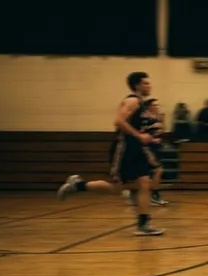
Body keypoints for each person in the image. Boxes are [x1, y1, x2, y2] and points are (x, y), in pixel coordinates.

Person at [56, 72, 164, 235]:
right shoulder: (132, 100)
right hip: (124, 148)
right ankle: (78, 185)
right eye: (146, 83)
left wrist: (147, 136)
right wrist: (139, 135)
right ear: (137, 86)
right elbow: (119, 122)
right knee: (116, 188)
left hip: (136, 148)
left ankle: (143, 225)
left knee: (144, 184)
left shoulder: (142, 104)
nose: (149, 86)